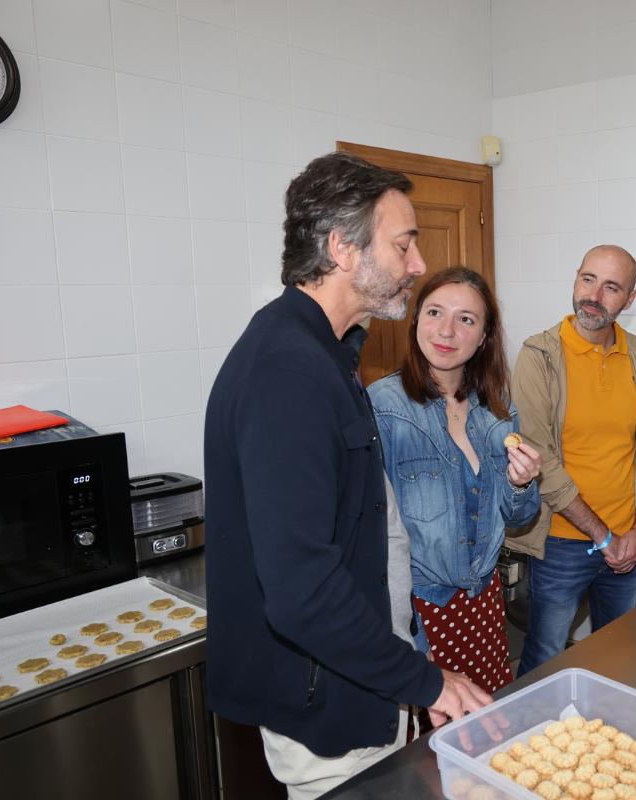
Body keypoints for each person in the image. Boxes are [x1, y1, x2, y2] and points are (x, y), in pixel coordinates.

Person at [204, 152, 491, 800]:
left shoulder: (326, 357)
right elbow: (302, 590)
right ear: (341, 247)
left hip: (359, 681)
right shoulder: (287, 371)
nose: (417, 264)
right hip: (325, 702)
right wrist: (427, 682)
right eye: (404, 244)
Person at [369, 267, 542, 695]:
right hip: (418, 612)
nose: (446, 330)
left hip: (484, 608)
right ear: (415, 321)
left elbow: (519, 517)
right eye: (435, 312)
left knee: (488, 724)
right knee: (429, 733)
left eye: (466, 319)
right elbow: (371, 534)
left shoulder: (497, 410)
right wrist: (404, 637)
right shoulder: (383, 408)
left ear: (484, 336)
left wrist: (522, 483)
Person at [509, 244, 636, 678]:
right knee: (545, 660)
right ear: (576, 278)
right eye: (588, 280)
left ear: (630, 299)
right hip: (561, 543)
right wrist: (603, 536)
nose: (594, 296)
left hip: (629, 543)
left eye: (611, 287)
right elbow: (540, 460)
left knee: (619, 659)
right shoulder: (539, 356)